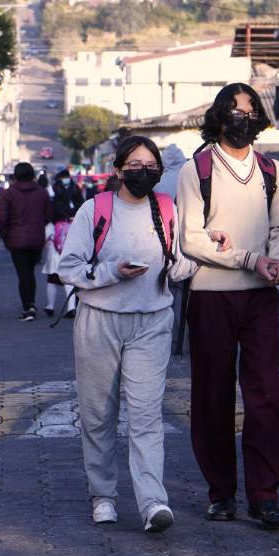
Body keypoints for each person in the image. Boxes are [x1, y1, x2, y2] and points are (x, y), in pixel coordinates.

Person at [59, 135, 231, 533]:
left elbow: (180, 265)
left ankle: (153, 502)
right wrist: (112, 272)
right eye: (135, 165)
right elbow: (69, 268)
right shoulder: (95, 209)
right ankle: (103, 496)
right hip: (99, 320)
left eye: (151, 166)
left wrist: (205, 251)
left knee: (146, 416)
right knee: (98, 414)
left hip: (152, 322)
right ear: (118, 170)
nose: (143, 172)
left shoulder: (167, 208)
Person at [177, 82, 279, 530]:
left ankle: (265, 495)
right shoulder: (197, 169)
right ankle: (221, 493)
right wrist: (249, 259)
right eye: (233, 111)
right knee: (213, 395)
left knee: (267, 394)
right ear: (218, 116)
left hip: (261, 297)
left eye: (249, 112)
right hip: (210, 297)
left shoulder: (271, 170)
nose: (242, 119)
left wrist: (278, 261)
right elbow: (190, 239)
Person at [0, 162, 53, 321]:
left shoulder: (8, 194)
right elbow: (49, 214)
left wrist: (5, 236)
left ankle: (28, 307)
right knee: (30, 272)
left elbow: (2, 218)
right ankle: (31, 303)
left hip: (16, 240)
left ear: (16, 175)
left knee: (23, 274)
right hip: (36, 239)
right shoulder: (42, 193)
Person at [42, 195, 77, 319]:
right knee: (69, 282)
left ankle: (50, 306)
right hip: (68, 258)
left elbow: (45, 242)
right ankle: (71, 307)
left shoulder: (50, 226)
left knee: (51, 281)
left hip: (53, 259)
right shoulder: (71, 224)